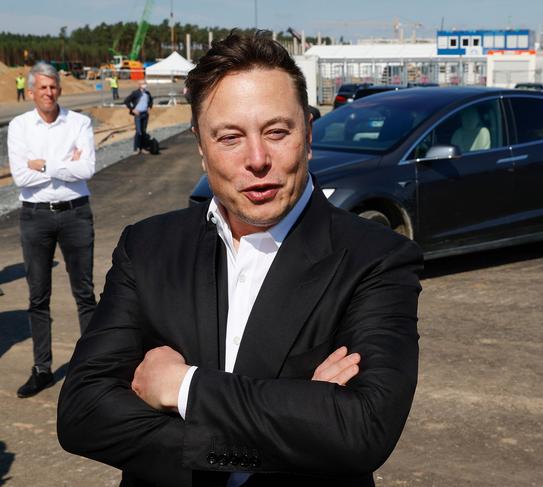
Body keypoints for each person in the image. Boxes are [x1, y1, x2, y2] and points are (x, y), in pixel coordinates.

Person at [58, 32, 422, 486]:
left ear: (308, 135)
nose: (257, 159)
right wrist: (298, 409)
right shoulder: (147, 248)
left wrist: (183, 387)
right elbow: (83, 411)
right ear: (200, 145)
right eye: (230, 137)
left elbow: (363, 428)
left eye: (276, 132)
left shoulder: (376, 259)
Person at [8, 62, 96, 398]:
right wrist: (65, 165)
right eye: (42, 88)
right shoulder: (19, 126)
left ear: (59, 89)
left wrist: (43, 163)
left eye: (53, 87)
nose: (49, 93)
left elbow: (86, 168)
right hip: (35, 217)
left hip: (76, 214)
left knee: (85, 294)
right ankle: (42, 369)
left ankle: (90, 370)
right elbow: (21, 177)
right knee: (37, 296)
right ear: (31, 91)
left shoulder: (79, 122)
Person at [124, 80, 153, 154]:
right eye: (143, 84)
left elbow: (151, 101)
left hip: (145, 114)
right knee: (139, 131)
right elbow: (126, 101)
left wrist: (149, 107)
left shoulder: (147, 93)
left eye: (145, 83)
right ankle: (136, 148)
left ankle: (143, 148)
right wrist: (132, 109)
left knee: (143, 131)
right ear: (139, 85)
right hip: (138, 115)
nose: (145, 85)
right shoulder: (135, 93)